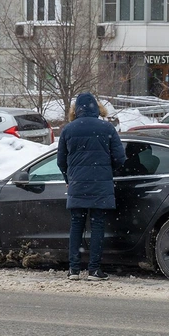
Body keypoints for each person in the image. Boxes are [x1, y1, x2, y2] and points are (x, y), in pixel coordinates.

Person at [57, 92, 126, 281]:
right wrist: (107, 170)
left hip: (77, 184)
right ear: (97, 107)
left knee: (76, 225)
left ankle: (73, 269)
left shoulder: (68, 130)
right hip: (100, 185)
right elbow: (120, 158)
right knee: (97, 226)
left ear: (75, 109)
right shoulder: (107, 128)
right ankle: (94, 270)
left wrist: (69, 177)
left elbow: (61, 161)